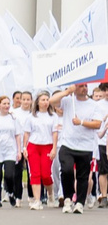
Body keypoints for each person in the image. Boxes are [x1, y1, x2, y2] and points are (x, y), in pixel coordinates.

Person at [60, 82, 103, 211]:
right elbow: (52, 101)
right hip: (68, 143)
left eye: (86, 86)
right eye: (81, 86)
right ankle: (68, 199)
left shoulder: (94, 105)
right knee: (67, 170)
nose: (84, 88)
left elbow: (97, 124)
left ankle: (80, 202)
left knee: (82, 176)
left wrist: (81, 122)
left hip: (85, 146)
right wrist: (67, 91)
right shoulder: (68, 101)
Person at [27, 94, 61, 207]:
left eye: (47, 100)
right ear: (37, 102)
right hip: (33, 145)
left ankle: (50, 194)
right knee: (35, 173)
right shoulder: (31, 116)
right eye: (43, 100)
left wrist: (54, 148)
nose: (45, 102)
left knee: (46, 174)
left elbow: (55, 133)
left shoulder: (53, 116)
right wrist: (24, 148)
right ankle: (37, 200)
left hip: (47, 145)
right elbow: (27, 133)